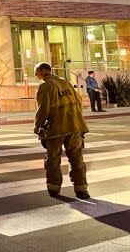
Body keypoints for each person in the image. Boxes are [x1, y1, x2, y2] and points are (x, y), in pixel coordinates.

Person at [33, 62, 90, 199]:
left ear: (43, 71)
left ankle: (53, 188)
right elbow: (78, 102)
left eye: (36, 72)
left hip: (56, 128)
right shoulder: (66, 82)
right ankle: (81, 190)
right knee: (77, 159)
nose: (35, 75)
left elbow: (43, 109)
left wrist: (37, 126)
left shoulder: (45, 86)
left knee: (53, 160)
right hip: (75, 126)